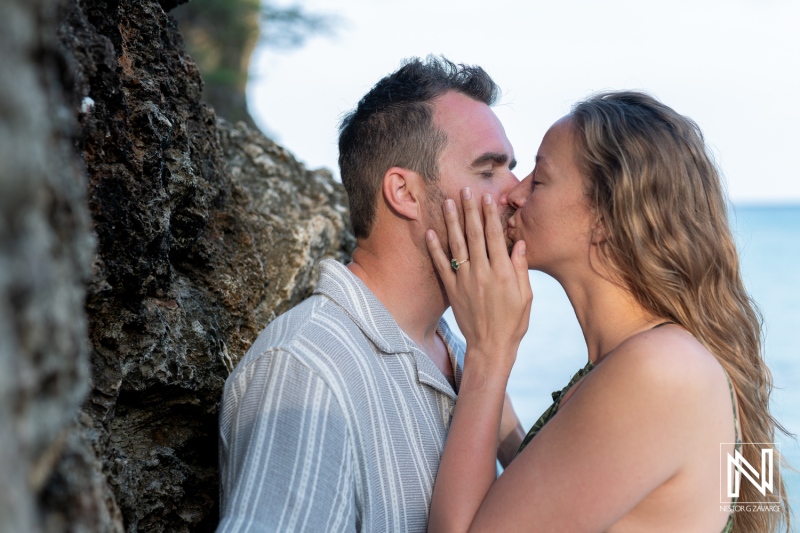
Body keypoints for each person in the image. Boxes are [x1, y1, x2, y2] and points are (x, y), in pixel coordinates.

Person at [425, 91, 791, 532]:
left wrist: (489, 352)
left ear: (605, 217)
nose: (513, 195)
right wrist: (502, 422)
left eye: (538, 180)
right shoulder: (655, 359)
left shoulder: (658, 371)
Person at [216, 56, 526, 532]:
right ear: (404, 193)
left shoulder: (459, 353)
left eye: (512, 169)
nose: (517, 193)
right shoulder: (308, 370)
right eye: (488, 171)